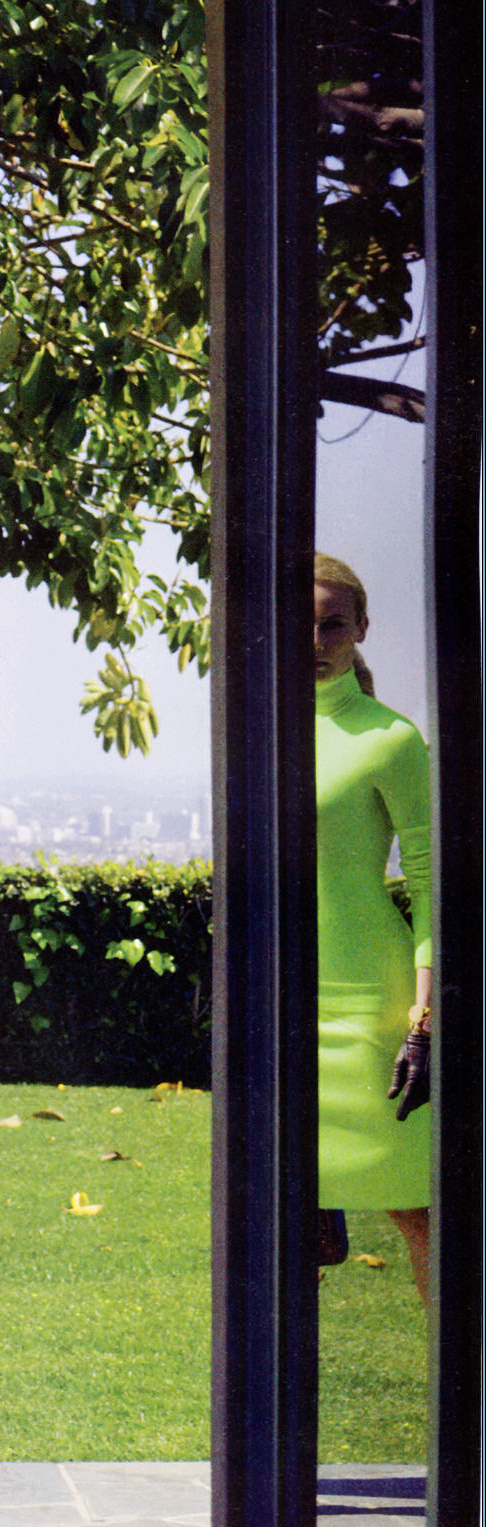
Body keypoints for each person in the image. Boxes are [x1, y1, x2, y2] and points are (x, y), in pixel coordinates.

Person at [313, 554, 432, 1306]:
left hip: (369, 1011)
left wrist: (424, 1022)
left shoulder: (390, 738)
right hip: (276, 1008)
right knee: (273, 1219)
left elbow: (431, 886)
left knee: (417, 1212)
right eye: (298, 625)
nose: (315, 641)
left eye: (332, 624)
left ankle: (459, 1371)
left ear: (361, 629)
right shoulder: (253, 730)